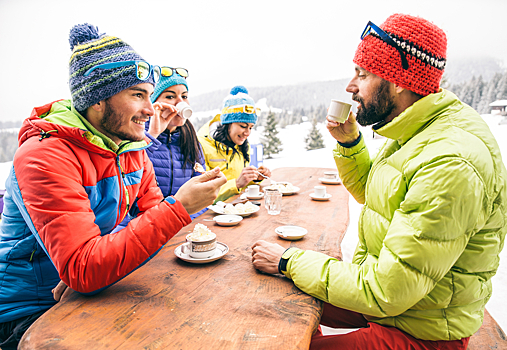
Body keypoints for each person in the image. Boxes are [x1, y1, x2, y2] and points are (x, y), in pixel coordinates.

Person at [251, 13, 507, 350]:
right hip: (404, 303)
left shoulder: (450, 161)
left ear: (399, 80)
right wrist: (349, 144)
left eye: (363, 74)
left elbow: (388, 290)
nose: (350, 86)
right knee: (275, 301)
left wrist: (289, 260)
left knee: (281, 338)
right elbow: (378, 196)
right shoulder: (416, 128)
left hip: (420, 328)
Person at [0, 23, 226, 349]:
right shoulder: (44, 155)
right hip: (30, 312)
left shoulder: (131, 149)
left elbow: (152, 225)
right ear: (98, 102)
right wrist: (179, 207)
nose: (150, 110)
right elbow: (88, 265)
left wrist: (94, 267)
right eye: (138, 95)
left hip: (101, 288)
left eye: (150, 95)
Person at [113, 65, 206, 232]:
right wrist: (153, 135)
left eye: (184, 96)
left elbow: (202, 191)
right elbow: (124, 188)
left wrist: (182, 223)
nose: (180, 103)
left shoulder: (191, 140)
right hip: (138, 231)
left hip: (181, 227)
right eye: (170, 97)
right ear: (153, 103)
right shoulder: (134, 136)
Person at [197, 86, 271, 203]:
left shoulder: (240, 144)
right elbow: (202, 194)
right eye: (243, 126)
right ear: (227, 124)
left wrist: (255, 178)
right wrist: (236, 184)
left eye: (251, 127)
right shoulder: (202, 145)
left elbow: (240, 182)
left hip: (237, 208)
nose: (247, 133)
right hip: (211, 214)